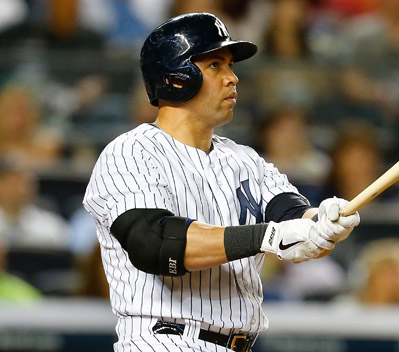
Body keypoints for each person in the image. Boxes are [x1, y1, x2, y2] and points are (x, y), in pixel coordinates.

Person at [82, 13, 360, 352]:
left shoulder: (245, 160)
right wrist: (271, 236)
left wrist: (323, 224)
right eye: (216, 65)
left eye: (229, 66)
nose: (233, 78)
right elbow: (154, 244)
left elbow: (292, 219)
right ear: (177, 77)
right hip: (163, 340)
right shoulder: (130, 152)